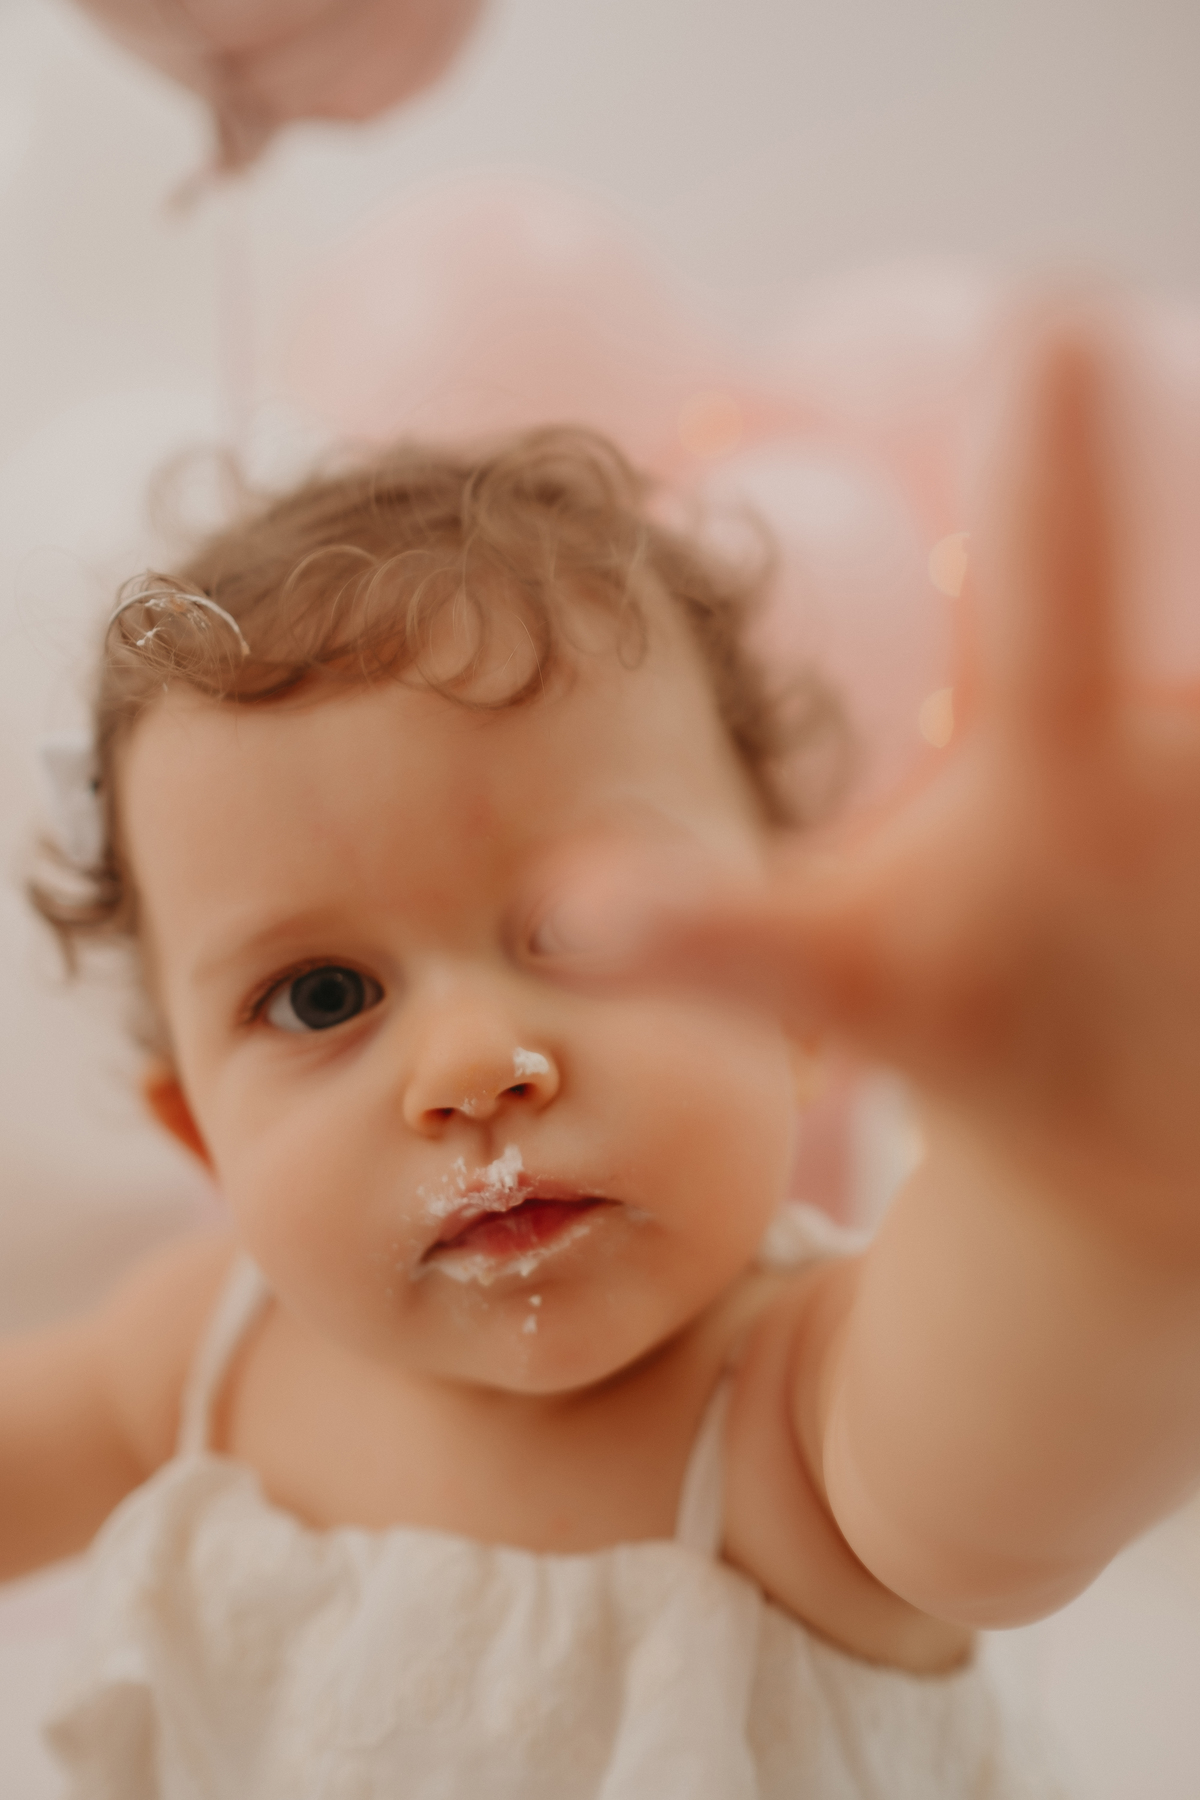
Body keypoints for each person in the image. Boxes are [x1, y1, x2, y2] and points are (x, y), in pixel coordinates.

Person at [5, 306, 1192, 1797]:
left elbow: (1019, 1453)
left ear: (796, 1008)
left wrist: (1090, 1174)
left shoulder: (792, 1418)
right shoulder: (209, 1354)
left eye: (586, 930)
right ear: (200, 1134)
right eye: (321, 996)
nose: (471, 1065)